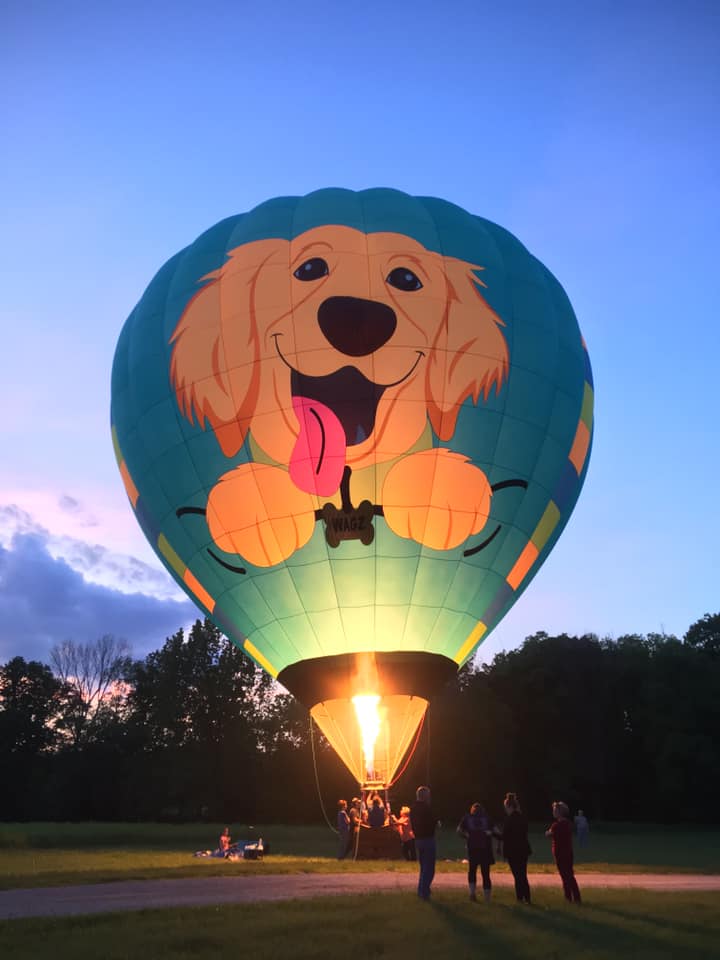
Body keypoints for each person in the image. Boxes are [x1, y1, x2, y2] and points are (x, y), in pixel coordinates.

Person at [457, 802, 498, 902]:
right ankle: (487, 898)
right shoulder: (487, 818)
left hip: (472, 849)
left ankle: (472, 893)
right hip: (485, 849)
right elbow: (496, 831)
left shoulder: (467, 818)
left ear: (472, 810)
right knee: (486, 874)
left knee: (472, 871)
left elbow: (459, 830)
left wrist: (466, 836)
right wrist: (491, 834)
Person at [499, 792, 532, 904]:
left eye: (505, 807)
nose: (505, 809)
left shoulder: (509, 820)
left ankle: (520, 898)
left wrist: (492, 833)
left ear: (509, 806)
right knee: (523, 874)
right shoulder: (522, 817)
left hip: (513, 851)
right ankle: (527, 897)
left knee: (517, 875)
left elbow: (504, 836)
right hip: (523, 849)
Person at [546, 801, 581, 903]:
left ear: (559, 812)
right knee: (570, 875)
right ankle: (576, 897)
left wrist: (548, 832)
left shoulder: (557, 825)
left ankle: (568, 897)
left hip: (560, 853)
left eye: (554, 810)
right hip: (568, 852)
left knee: (564, 876)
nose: (553, 812)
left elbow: (549, 834)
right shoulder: (568, 824)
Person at [410, 785, 439, 900]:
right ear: (425, 796)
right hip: (428, 838)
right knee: (429, 868)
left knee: (423, 867)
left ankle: (421, 889)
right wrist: (436, 823)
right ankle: (424, 892)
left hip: (418, 839)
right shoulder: (427, 808)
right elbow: (431, 822)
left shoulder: (413, 808)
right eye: (428, 795)